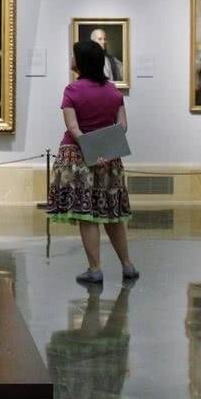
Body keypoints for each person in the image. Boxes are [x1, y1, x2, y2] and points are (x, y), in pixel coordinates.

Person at [47, 39, 136, 284]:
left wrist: (91, 149)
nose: (71, 58)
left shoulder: (72, 90)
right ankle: (127, 264)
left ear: (81, 62)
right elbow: (123, 126)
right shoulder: (113, 91)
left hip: (78, 157)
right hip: (109, 159)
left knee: (87, 215)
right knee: (112, 213)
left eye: (74, 55)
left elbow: (73, 128)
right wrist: (104, 148)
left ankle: (95, 268)